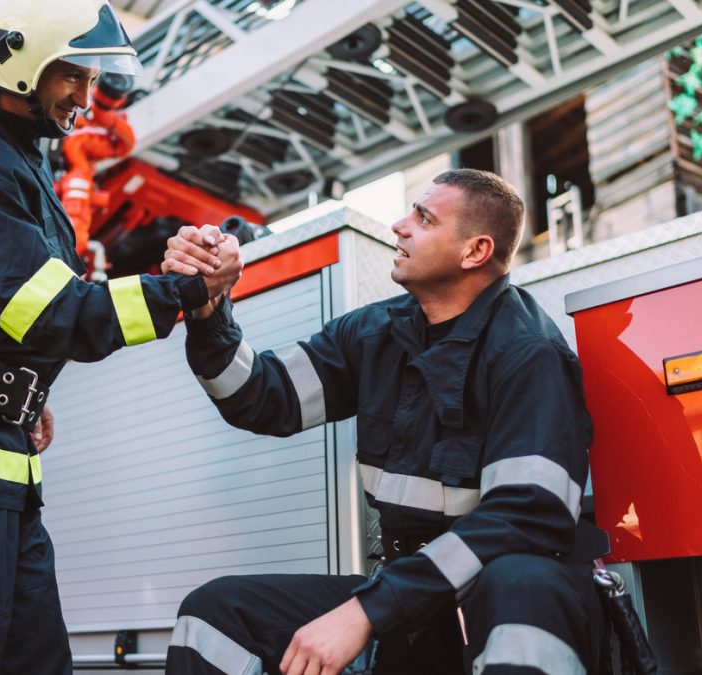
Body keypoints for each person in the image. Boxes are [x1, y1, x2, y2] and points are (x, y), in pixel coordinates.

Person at [0, 1, 242, 673]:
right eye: (74, 76)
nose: (87, 98)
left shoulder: (15, 161)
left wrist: (16, 385)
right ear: (24, 64)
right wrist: (186, 288)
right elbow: (55, 312)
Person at [160, 169, 606, 674]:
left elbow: (527, 518)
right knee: (215, 614)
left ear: (474, 252)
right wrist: (208, 304)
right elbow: (261, 397)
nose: (399, 225)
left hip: (496, 600)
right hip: (410, 602)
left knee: (523, 587)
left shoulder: (527, 354)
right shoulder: (373, 334)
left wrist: (367, 610)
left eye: (423, 218)